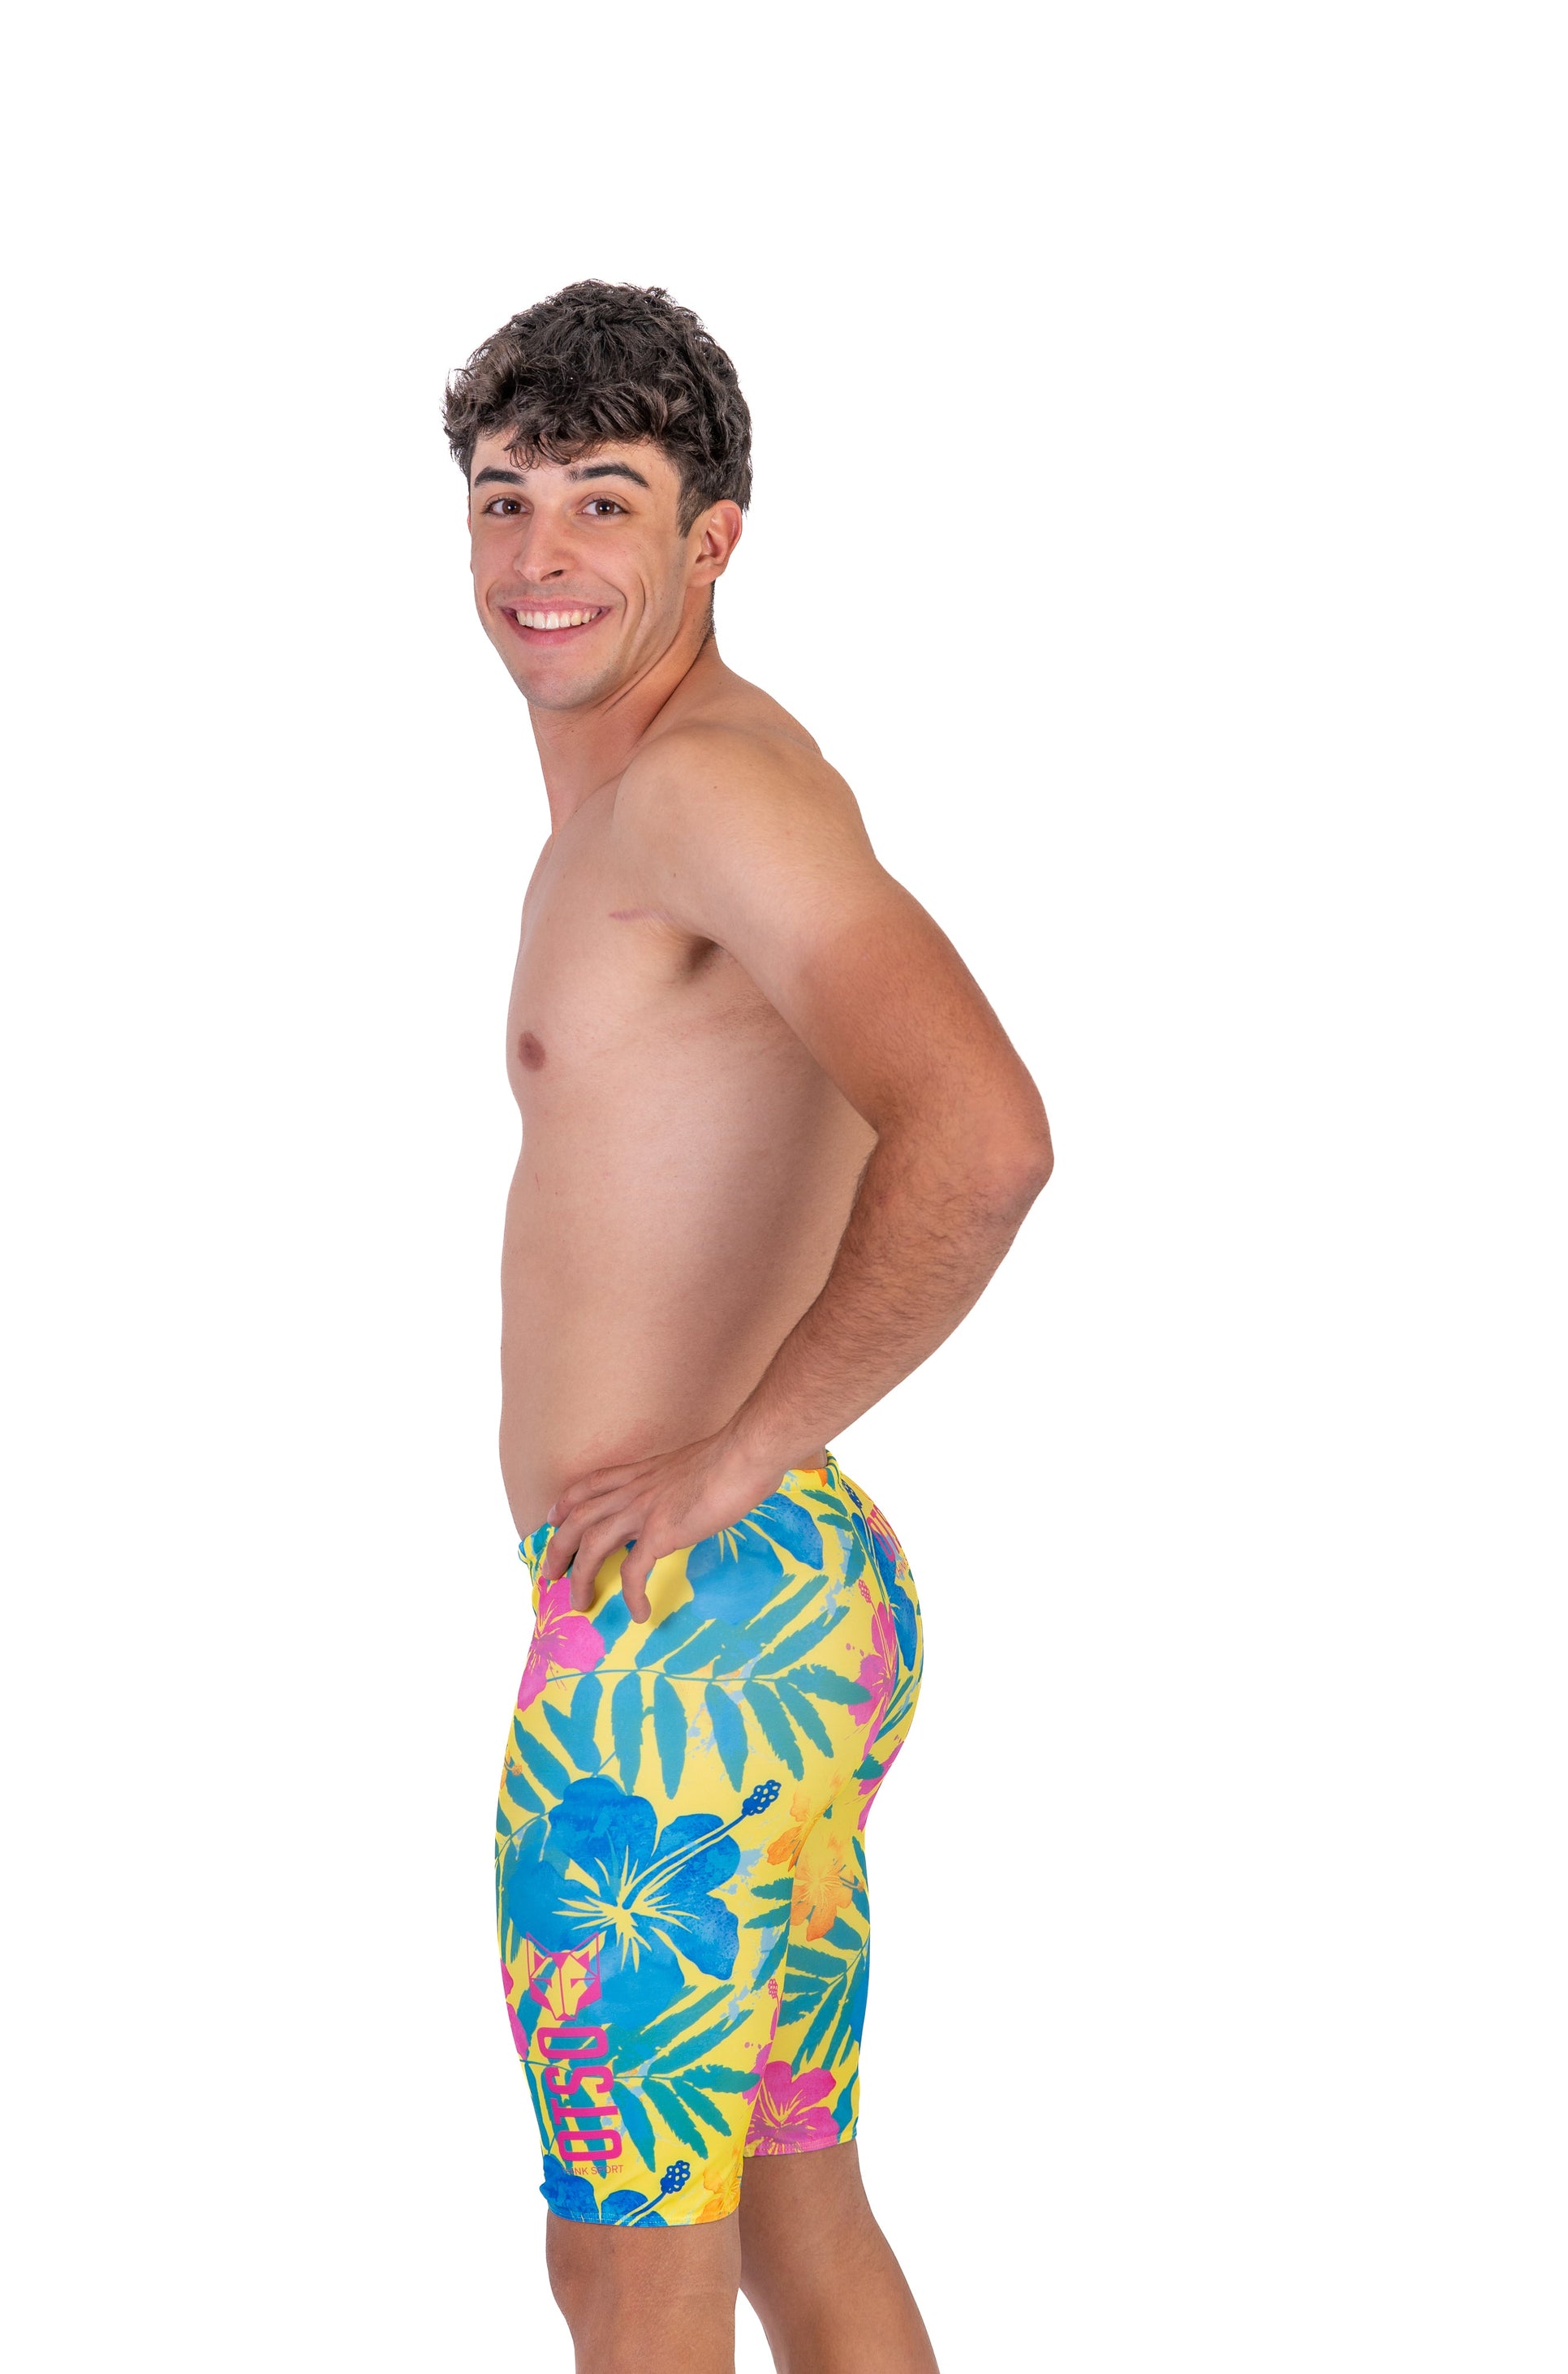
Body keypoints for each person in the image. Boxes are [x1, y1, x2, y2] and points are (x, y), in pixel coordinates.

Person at [445, 282, 1053, 2374]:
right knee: (792, 2203)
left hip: (686, 1646)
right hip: (784, 1611)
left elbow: (986, 1135)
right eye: (505, 497)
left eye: (603, 501)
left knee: (629, 2269)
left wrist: (732, 1457)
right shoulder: (664, 793)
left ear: (713, 539)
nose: (539, 555)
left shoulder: (707, 790)